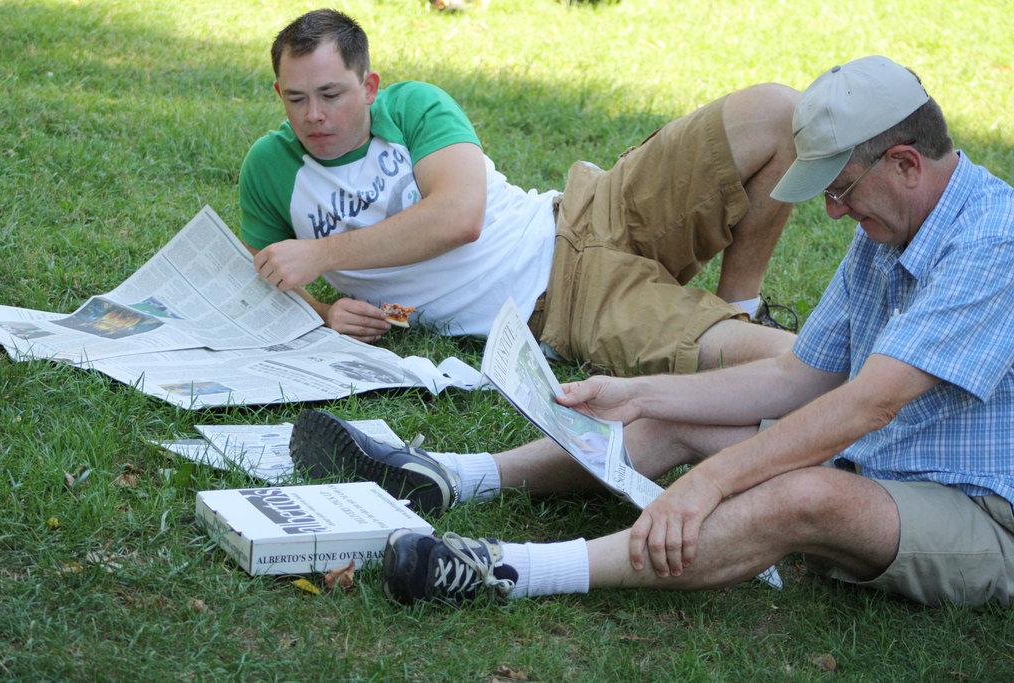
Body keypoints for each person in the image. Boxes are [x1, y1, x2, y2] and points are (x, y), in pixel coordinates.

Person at [290, 55, 1014, 607]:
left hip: (980, 509)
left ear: (905, 164)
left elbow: (866, 404)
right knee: (675, 412)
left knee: (806, 497)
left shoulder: (994, 241)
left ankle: (508, 570)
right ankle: (456, 476)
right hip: (883, 458)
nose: (832, 212)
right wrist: (639, 391)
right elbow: (803, 377)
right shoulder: (889, 229)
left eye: (841, 190)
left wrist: (711, 484)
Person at [238, 8, 800, 377]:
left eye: (331, 94)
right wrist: (322, 312)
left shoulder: (412, 107)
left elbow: (459, 216)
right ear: (278, 93)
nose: (313, 115)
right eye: (295, 98)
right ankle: (783, 352)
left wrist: (322, 254)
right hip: (560, 309)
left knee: (780, 112)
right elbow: (256, 283)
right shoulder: (269, 170)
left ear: (368, 86)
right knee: (770, 362)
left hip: (588, 211)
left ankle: (743, 307)